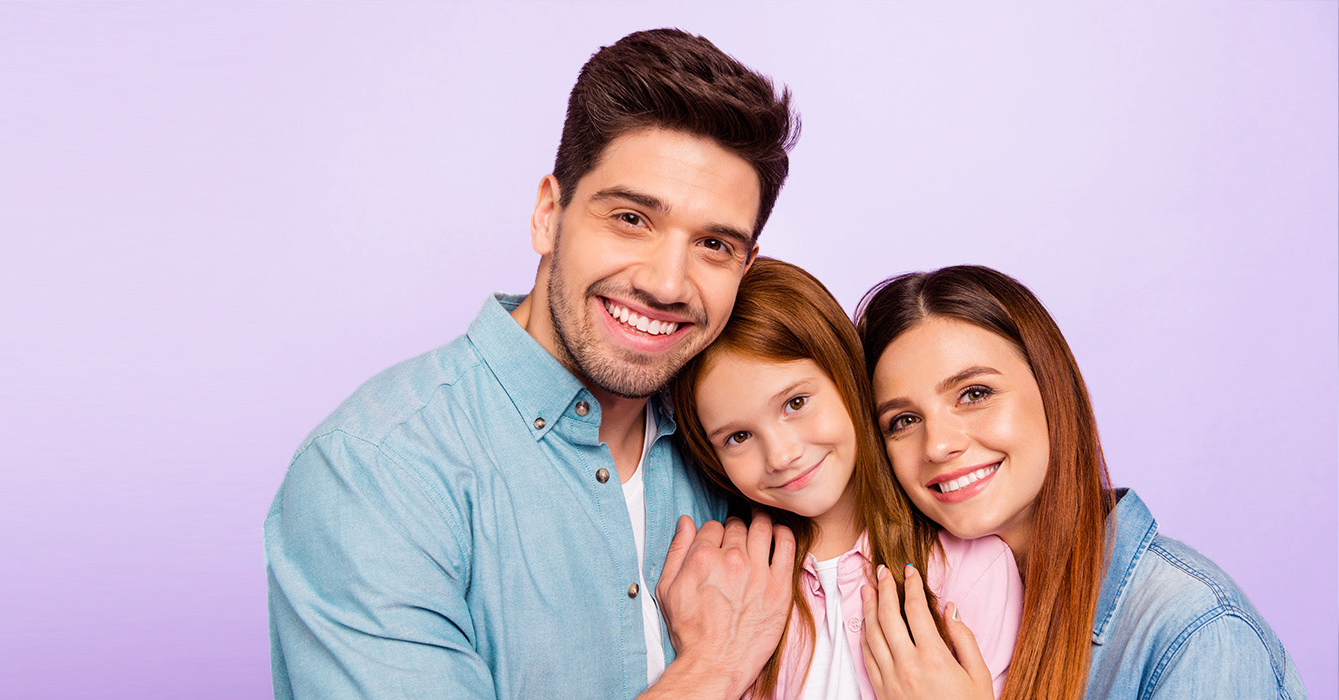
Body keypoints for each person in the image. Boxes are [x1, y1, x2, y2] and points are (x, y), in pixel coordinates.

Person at [266, 29, 801, 700]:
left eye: (714, 243)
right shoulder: (374, 470)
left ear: (745, 266)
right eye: (631, 218)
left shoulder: (746, 450)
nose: (667, 283)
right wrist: (714, 668)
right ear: (549, 214)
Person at [852, 265, 1306, 700]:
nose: (938, 445)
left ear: (1055, 392)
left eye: (974, 394)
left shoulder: (1195, 630)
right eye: (904, 420)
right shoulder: (903, 609)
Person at [672, 258, 1021, 700]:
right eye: (738, 436)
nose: (781, 455)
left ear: (848, 378)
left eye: (796, 402)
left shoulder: (971, 569)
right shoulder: (729, 585)